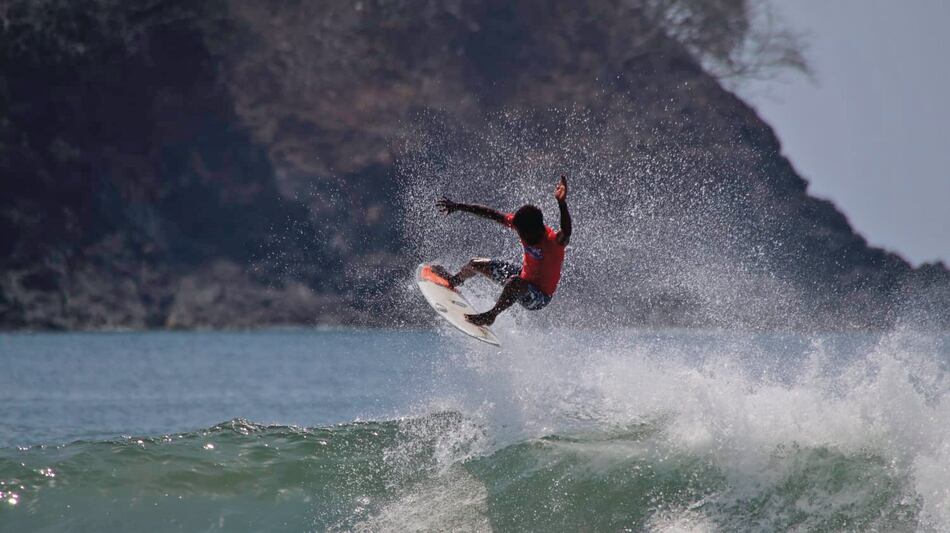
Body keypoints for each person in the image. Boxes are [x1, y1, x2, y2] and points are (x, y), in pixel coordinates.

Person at [433, 176, 572, 326]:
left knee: (515, 283)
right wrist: (459, 206)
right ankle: (454, 281)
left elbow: (566, 231)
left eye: (525, 234)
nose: (522, 236)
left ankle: (490, 316)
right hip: (523, 277)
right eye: (520, 232)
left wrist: (561, 203)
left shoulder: (554, 241)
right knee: (475, 263)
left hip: (539, 297)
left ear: (539, 230)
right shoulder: (520, 224)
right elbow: (490, 214)